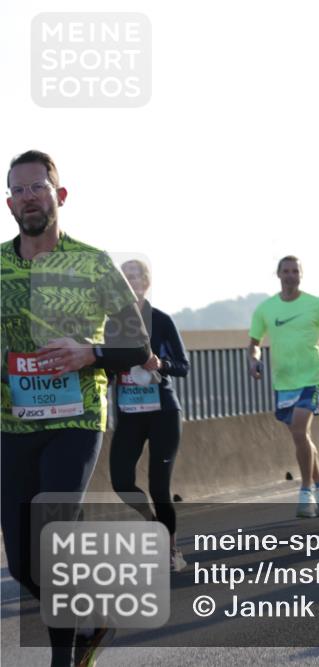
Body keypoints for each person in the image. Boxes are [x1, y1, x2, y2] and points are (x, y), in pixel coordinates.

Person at [2, 150, 152, 666]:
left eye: (37, 187)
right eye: (18, 190)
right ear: (8, 203)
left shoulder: (92, 262)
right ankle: (88, 613)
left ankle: (62, 660)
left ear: (59, 196)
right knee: (23, 561)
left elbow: (138, 345)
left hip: (77, 416)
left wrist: (91, 352)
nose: (28, 197)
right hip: (12, 423)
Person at [110, 259, 191, 570]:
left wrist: (160, 364)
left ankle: (171, 550)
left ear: (146, 282)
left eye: (137, 276)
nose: (131, 281)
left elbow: (183, 366)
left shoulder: (161, 320)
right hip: (129, 414)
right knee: (121, 481)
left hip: (163, 413)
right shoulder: (111, 323)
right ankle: (151, 523)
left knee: (159, 487)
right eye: (125, 276)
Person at [248, 256, 319, 518]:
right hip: (283, 382)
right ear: (278, 274)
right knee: (301, 437)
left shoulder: (315, 304)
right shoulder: (266, 309)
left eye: (295, 271)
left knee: (300, 431)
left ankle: (305, 491)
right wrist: (254, 360)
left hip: (312, 377)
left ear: (301, 275)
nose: (290, 275)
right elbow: (254, 341)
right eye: (286, 271)